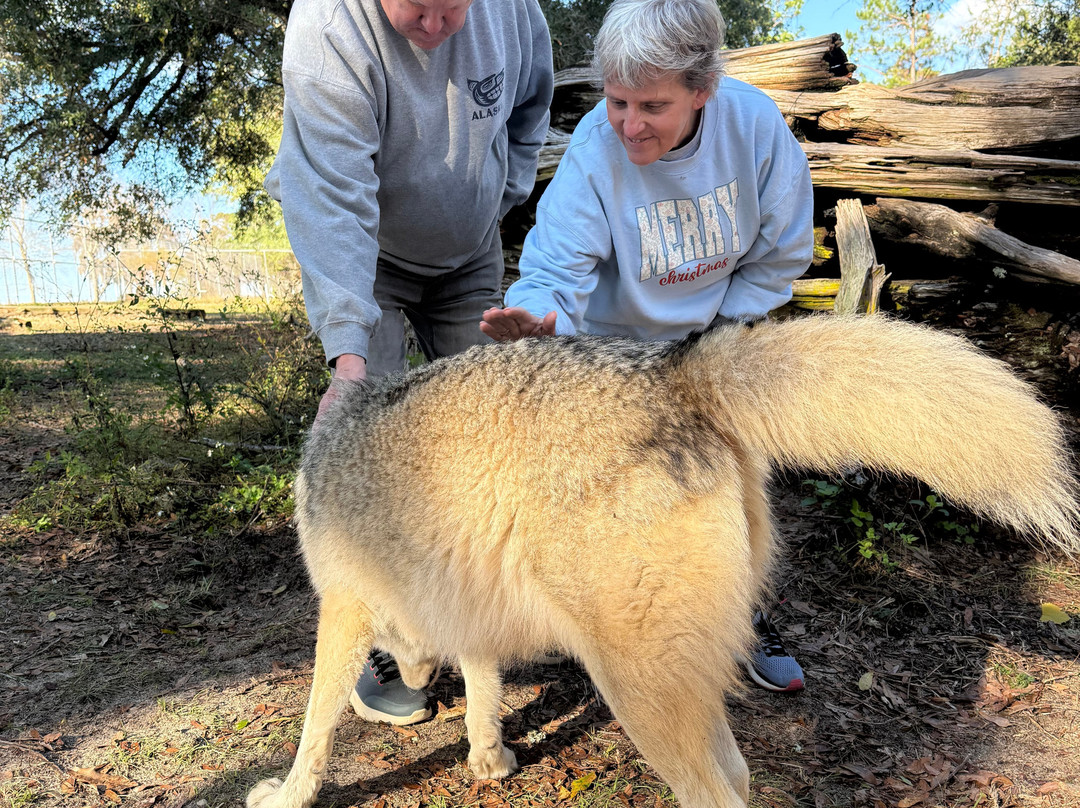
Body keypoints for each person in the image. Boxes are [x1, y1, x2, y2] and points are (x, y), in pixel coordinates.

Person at [481, 0, 808, 692]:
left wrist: (719, 338)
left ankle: (744, 616)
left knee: (728, 488)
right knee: (611, 501)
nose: (628, 125)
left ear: (702, 89)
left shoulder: (753, 128)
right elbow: (553, 267)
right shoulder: (598, 147)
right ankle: (613, 631)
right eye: (617, 99)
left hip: (714, 338)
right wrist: (538, 321)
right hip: (611, 355)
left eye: (652, 106)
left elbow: (780, 254)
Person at [266, 0, 554, 723]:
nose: (434, 26)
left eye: (452, 7)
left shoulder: (514, 13)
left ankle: (489, 609)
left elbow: (531, 107)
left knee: (493, 443)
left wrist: (500, 197)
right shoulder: (327, 31)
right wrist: (349, 355)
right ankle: (392, 644)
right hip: (371, 261)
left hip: (470, 256)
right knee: (383, 454)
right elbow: (332, 199)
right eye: (416, 7)